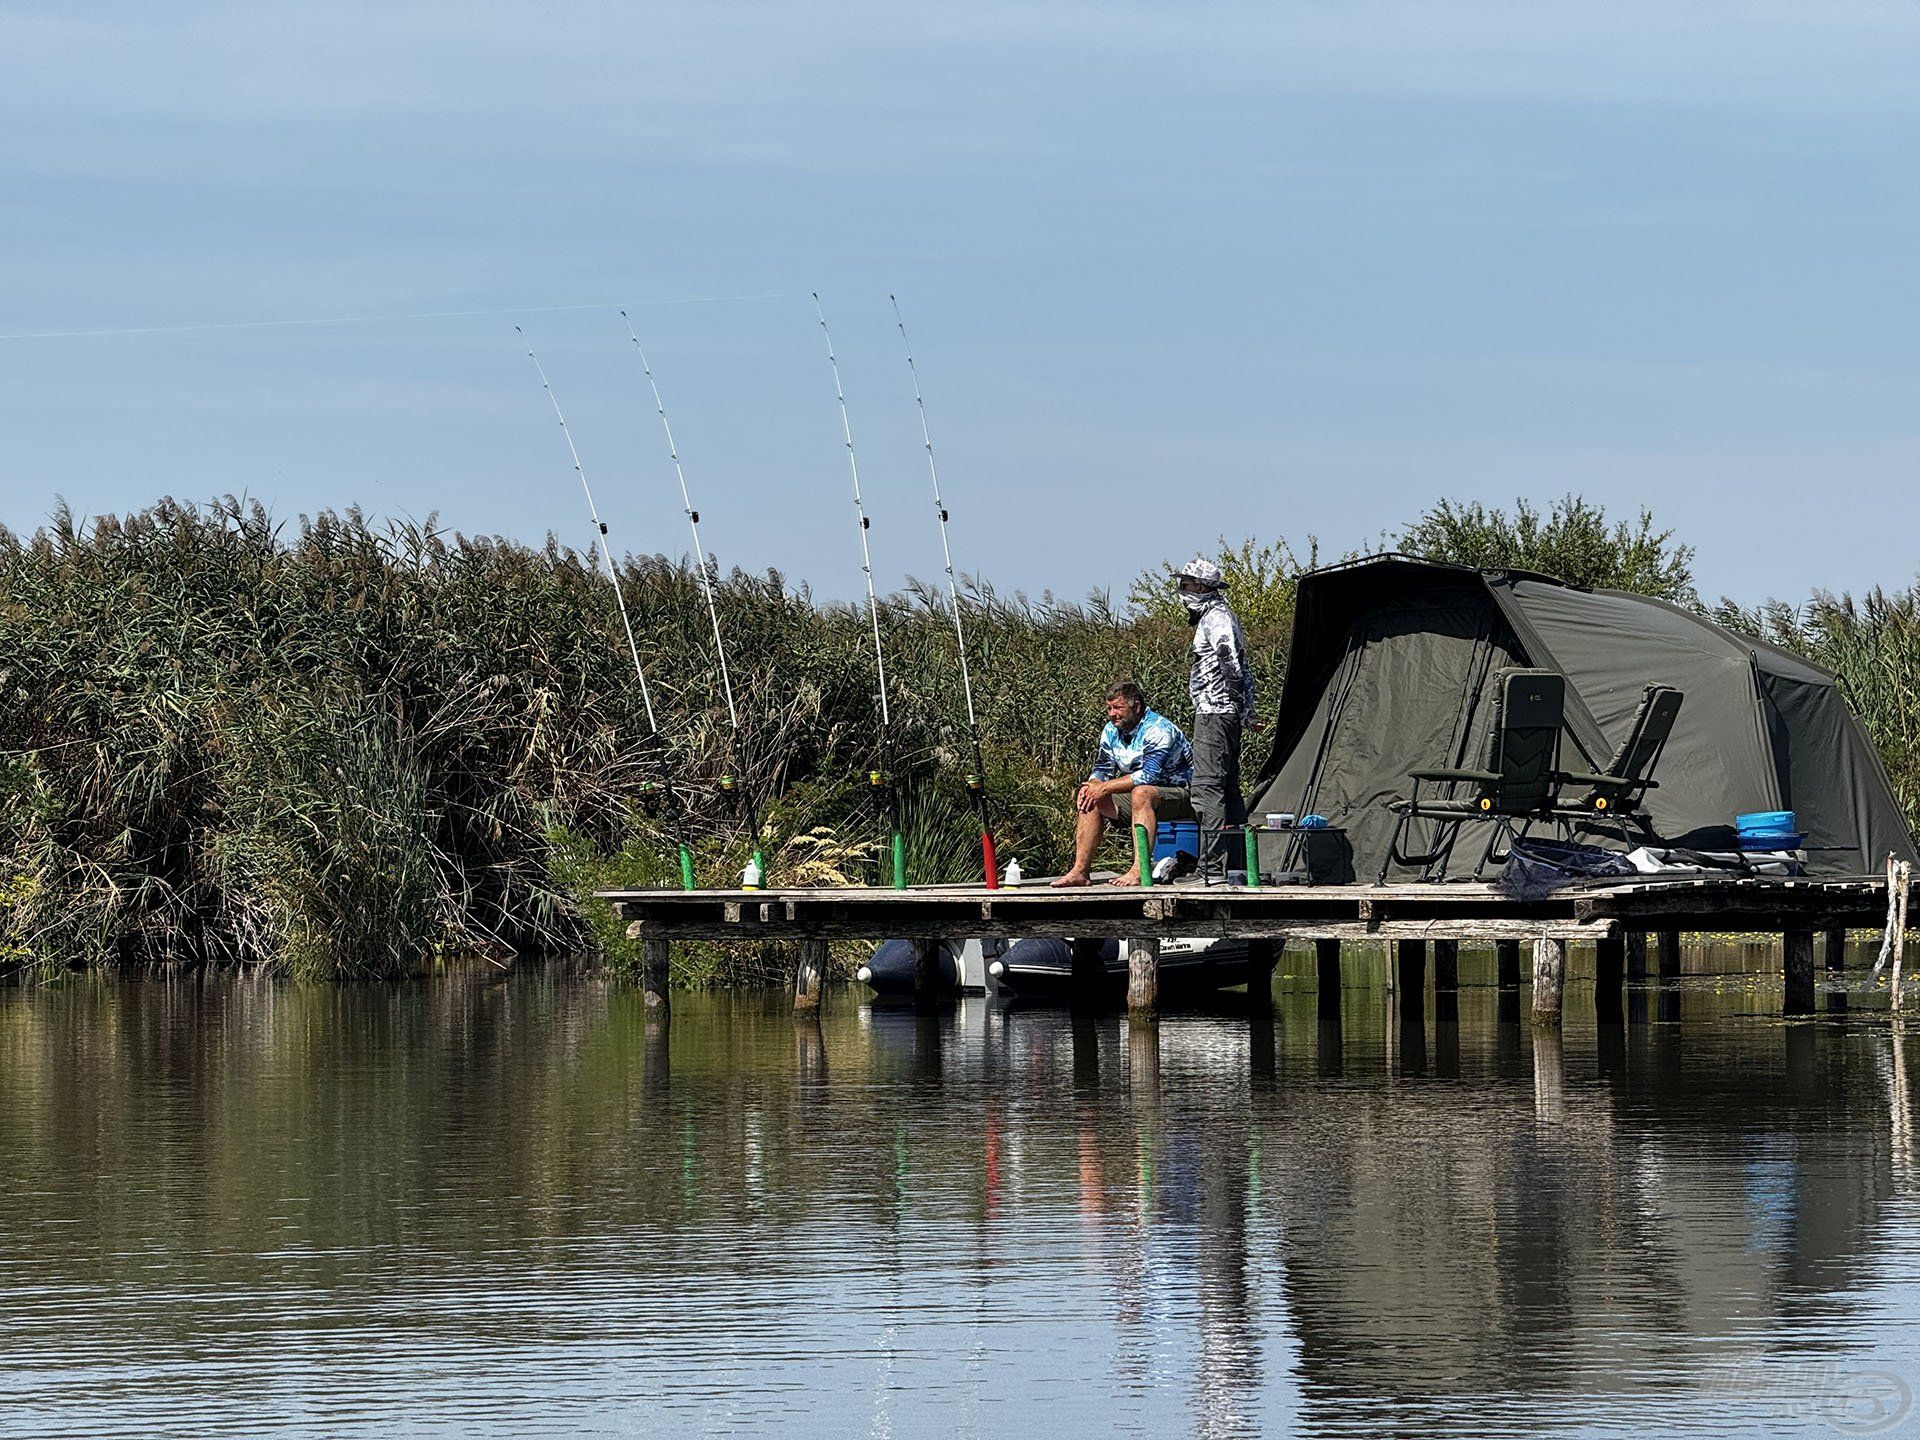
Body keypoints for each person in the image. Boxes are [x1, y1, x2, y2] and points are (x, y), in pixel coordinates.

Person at [1051, 680, 1195, 887]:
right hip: (1143, 793)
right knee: (1089, 795)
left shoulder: (1158, 729)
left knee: (1141, 792)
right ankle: (1080, 872)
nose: (1111, 713)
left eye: (1118, 707)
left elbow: (1150, 775)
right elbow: (1102, 768)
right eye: (1109, 708)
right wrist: (1093, 785)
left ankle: (1139, 870)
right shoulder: (1110, 730)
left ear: (1136, 706)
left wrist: (1105, 787)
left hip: (1183, 794)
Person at [1177, 556, 1255, 875]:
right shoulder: (1214, 615)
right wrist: (1244, 710)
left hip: (1215, 712)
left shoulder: (1217, 618)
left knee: (1207, 786)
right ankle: (1235, 864)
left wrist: (1239, 706)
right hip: (1221, 712)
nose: (1181, 590)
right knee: (1227, 787)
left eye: (1187, 584)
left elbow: (1232, 665)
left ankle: (1210, 868)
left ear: (1203, 587)